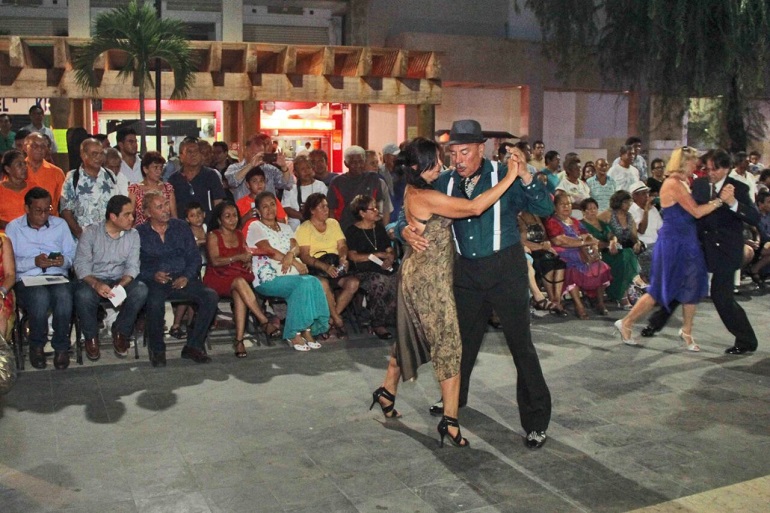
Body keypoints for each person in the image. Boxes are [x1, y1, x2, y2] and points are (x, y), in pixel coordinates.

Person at [399, 120, 554, 450]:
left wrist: (525, 175)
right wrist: (403, 229)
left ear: (480, 149)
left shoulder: (504, 175)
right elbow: (411, 205)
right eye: (453, 153)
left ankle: (537, 421)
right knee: (460, 343)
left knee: (521, 347)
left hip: (505, 270)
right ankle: (454, 404)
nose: (458, 159)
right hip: (466, 272)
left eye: (465, 152)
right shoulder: (444, 181)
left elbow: (545, 207)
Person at [371, 136, 522, 448]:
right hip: (429, 281)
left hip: (423, 274)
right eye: (434, 162)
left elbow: (401, 222)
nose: (442, 165)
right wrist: (510, 175)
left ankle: (386, 392)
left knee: (414, 335)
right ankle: (450, 422)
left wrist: (403, 230)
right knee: (449, 346)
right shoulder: (425, 195)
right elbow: (474, 207)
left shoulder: (422, 188)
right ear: (415, 167)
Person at [632, 148, 760, 354]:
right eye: (707, 168)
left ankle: (746, 340)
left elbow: (754, 218)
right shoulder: (699, 184)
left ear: (726, 168)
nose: (710, 173)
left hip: (726, 251)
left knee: (721, 296)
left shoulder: (739, 188)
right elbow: (692, 212)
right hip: (699, 246)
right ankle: (655, 324)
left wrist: (733, 203)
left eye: (715, 169)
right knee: (679, 285)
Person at [616, 147, 727, 349]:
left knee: (692, 286)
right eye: (694, 162)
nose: (697, 166)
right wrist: (720, 201)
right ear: (685, 163)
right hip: (673, 244)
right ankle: (626, 322)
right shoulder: (673, 183)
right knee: (659, 291)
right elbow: (696, 212)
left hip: (688, 242)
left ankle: (687, 331)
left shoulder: (683, 182)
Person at [137, 191, 219, 366]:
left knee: (210, 296)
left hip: (182, 277)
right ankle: (157, 349)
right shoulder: (139, 233)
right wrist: (152, 274)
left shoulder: (181, 227)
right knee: (154, 302)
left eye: (166, 204)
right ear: (148, 213)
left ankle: (193, 345)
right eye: (159, 207)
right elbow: (134, 265)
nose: (166, 210)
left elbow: (195, 258)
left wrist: (186, 277)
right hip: (156, 280)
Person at [246, 191, 329, 351]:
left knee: (314, 282)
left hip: (290, 272)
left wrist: (291, 255)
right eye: (265, 206)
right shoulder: (255, 226)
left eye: (272, 204)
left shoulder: (285, 227)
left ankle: (307, 330)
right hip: (269, 276)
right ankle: (293, 333)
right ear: (258, 210)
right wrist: (296, 263)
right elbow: (268, 250)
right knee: (301, 285)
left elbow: (296, 247)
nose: (270, 209)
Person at [6, 187, 76, 370]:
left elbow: (72, 256)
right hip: (27, 280)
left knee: (64, 296)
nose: (44, 215)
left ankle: (61, 347)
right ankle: (36, 346)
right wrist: (33, 262)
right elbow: (10, 263)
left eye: (48, 209)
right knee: (39, 298)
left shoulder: (60, 225)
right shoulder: (14, 228)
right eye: (39, 210)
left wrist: (63, 261)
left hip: (56, 276)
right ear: (27, 209)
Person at [73, 195, 148, 361]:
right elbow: (81, 265)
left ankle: (121, 331)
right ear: (113, 217)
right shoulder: (91, 232)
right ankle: (91, 337)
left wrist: (120, 286)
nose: (132, 218)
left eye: (133, 214)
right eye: (127, 215)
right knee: (83, 295)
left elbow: (133, 266)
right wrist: (97, 284)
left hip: (119, 278)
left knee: (141, 290)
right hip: (93, 279)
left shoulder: (133, 235)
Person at [202, 201, 278, 358]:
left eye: (235, 216)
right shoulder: (213, 235)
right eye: (227, 216)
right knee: (239, 283)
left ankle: (239, 341)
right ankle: (264, 321)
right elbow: (215, 261)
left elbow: (246, 253)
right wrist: (237, 257)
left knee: (239, 291)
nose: (232, 219)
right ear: (219, 220)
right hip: (218, 277)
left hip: (237, 275)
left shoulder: (239, 234)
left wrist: (248, 260)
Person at [295, 193, 359, 338]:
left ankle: (331, 320)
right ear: (312, 210)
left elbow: (342, 245)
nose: (326, 210)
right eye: (322, 207)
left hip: (335, 263)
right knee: (324, 284)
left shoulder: (333, 223)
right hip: (317, 266)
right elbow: (304, 255)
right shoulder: (305, 228)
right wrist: (325, 267)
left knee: (353, 283)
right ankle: (337, 319)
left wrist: (343, 258)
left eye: (327, 206)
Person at [545, 191, 612, 319]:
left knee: (601, 266)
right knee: (572, 268)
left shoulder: (575, 221)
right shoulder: (552, 222)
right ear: (555, 207)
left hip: (580, 251)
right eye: (562, 204)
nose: (566, 207)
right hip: (563, 252)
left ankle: (599, 302)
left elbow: (588, 236)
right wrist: (582, 242)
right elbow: (560, 240)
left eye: (569, 204)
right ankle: (578, 305)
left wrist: (590, 244)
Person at [345, 194, 398, 340]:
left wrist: (390, 257)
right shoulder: (352, 231)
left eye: (376, 207)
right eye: (372, 208)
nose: (376, 211)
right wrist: (375, 255)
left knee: (400, 278)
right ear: (362, 213)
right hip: (363, 270)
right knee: (379, 281)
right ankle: (377, 322)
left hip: (383, 267)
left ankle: (392, 317)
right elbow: (353, 256)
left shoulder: (379, 228)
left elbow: (389, 249)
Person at [580, 197, 639, 309]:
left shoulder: (601, 223)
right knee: (622, 260)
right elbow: (592, 242)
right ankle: (626, 292)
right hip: (596, 255)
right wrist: (608, 244)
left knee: (628, 253)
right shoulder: (581, 225)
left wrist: (612, 242)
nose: (592, 211)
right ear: (583, 211)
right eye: (589, 209)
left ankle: (625, 291)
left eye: (594, 208)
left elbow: (612, 235)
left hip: (610, 251)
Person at [60, 138, 119, 239]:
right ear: (83, 155)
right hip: (84, 238)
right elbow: (66, 211)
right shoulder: (73, 177)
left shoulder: (110, 175)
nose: (99, 158)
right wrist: (79, 234)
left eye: (101, 154)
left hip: (109, 238)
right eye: (94, 154)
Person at [327, 145, 392, 231]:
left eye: (360, 161)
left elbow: (378, 204)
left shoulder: (373, 178)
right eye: (353, 162)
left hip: (370, 227)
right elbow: (331, 210)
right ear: (346, 163)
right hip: (345, 228)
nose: (358, 165)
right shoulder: (337, 182)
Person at [518, 210, 568, 316]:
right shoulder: (519, 217)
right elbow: (521, 241)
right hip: (530, 249)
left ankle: (556, 300)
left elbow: (544, 236)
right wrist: (541, 247)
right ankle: (546, 299)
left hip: (541, 248)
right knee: (545, 262)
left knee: (559, 262)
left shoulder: (536, 215)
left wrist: (546, 244)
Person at [167, 137, 225, 225]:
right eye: (189, 152)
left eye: (196, 151)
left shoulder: (211, 175)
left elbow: (219, 204)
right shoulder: (174, 179)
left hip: (208, 228)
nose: (193, 155)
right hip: (183, 229)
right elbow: (171, 209)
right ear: (181, 156)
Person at [224, 133, 294, 201]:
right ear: (246, 151)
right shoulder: (235, 167)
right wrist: (251, 165)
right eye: (254, 154)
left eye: (260, 154)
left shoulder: (270, 169)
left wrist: (284, 167)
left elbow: (287, 184)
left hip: (268, 211)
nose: (258, 157)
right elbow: (232, 181)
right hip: (244, 210)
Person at [235, 166, 289, 236]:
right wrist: (247, 216)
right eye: (254, 181)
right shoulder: (240, 203)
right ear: (248, 185)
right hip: (248, 238)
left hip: (271, 236)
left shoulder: (272, 200)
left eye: (261, 180)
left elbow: (282, 222)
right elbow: (236, 227)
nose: (259, 184)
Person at [128, 151, 177, 226]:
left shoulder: (168, 188)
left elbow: (174, 216)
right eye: (155, 167)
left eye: (161, 168)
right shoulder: (135, 189)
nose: (159, 171)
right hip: (142, 232)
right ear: (145, 169)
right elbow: (129, 216)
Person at [282, 155, 328, 231]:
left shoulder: (320, 186)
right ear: (295, 173)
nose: (306, 171)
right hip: (295, 229)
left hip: (317, 228)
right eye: (302, 169)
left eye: (308, 167)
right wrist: (303, 216)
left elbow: (325, 205)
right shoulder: (290, 188)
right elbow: (286, 207)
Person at [23, 132, 65, 214]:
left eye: (43, 146)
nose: (39, 149)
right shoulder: (16, 171)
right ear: (25, 148)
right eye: (34, 146)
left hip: (50, 221)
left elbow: (62, 202)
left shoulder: (57, 173)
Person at [629, 180, 662, 282]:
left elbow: (661, 229)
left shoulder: (654, 209)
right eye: (643, 193)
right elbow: (641, 230)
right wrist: (646, 211)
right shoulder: (631, 211)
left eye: (647, 193)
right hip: (643, 246)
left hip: (657, 243)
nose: (647, 196)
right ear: (634, 196)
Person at [0, 150, 34, 229]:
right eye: (19, 165)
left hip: (30, 234)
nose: (25, 167)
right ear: (8, 169)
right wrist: (12, 227)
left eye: (25, 163)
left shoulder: (33, 188)